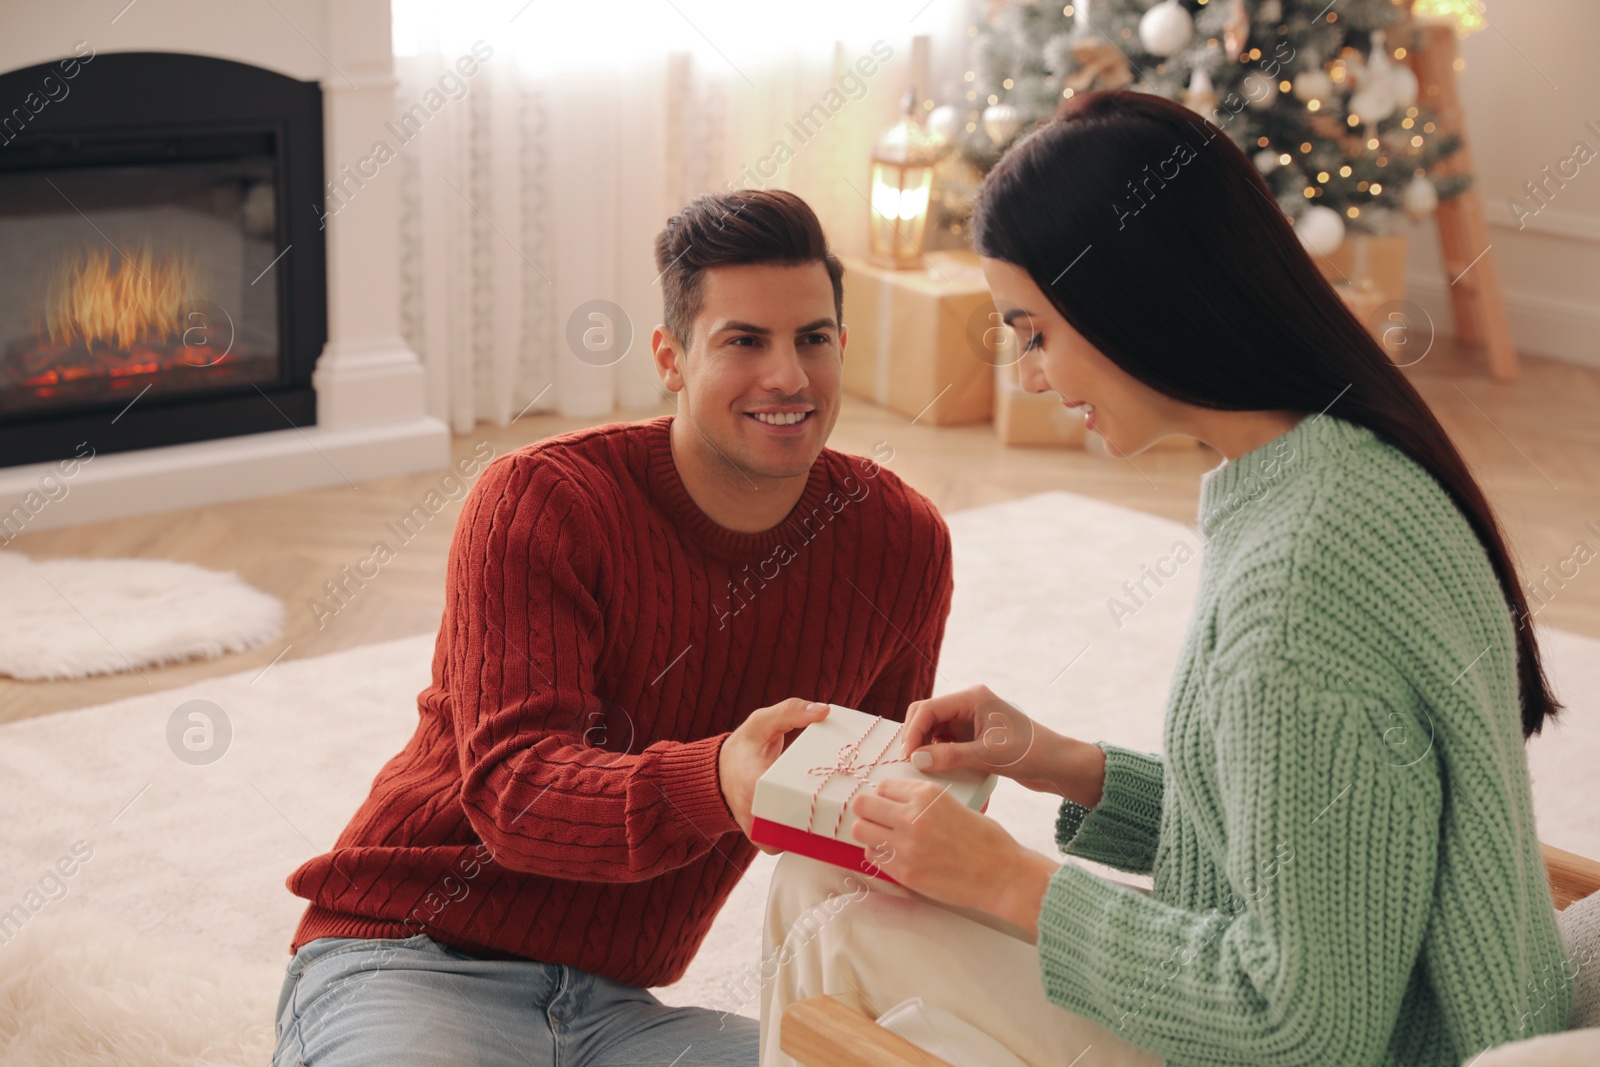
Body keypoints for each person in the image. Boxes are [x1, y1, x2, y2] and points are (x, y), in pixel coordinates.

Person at [761, 89, 1573, 1067]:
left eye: (1033, 330)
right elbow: (1310, 838)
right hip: (1404, 999)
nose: (1026, 371)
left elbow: (1303, 1022)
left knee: (825, 916)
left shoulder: (1297, 587)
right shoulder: (1342, 462)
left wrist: (1010, 879)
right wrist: (1061, 759)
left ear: (1132, 300)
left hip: (1330, 1042)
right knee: (824, 877)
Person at [271, 188, 954, 1067]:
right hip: (408, 956)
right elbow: (515, 790)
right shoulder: (542, 501)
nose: (787, 376)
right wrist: (717, 777)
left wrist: (943, 818)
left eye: (812, 339)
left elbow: (860, 824)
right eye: (744, 340)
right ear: (671, 358)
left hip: (620, 1009)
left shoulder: (902, 541)